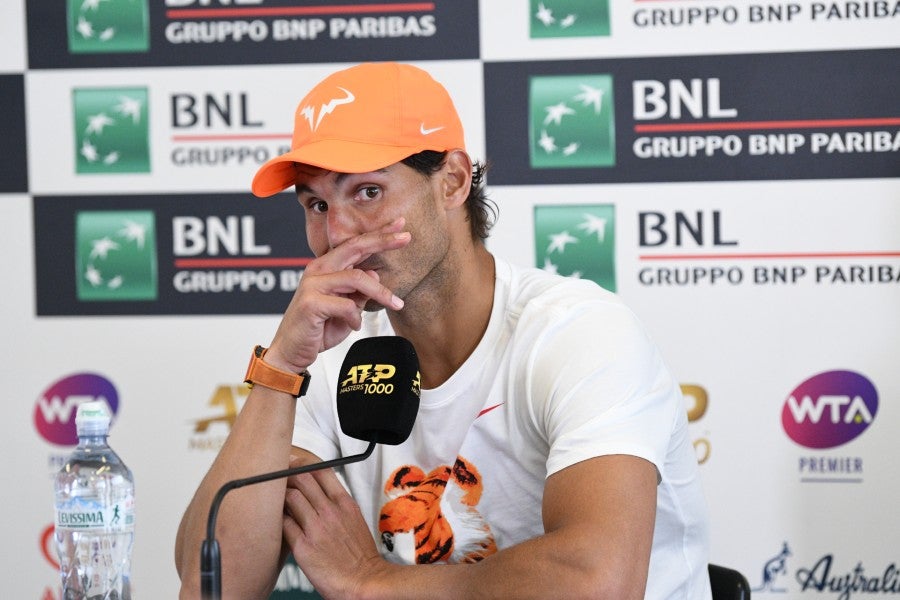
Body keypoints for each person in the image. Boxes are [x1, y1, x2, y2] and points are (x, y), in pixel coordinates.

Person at [175, 61, 711, 599]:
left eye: (367, 192)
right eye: (317, 204)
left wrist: (371, 582)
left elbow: (599, 582)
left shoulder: (578, 333)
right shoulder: (330, 359)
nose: (336, 234)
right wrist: (281, 369)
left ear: (452, 181)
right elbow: (213, 586)